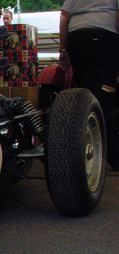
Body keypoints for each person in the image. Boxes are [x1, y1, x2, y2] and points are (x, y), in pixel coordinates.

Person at [60, 0, 119, 169]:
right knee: (104, 96)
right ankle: (112, 155)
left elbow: (64, 17)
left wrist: (64, 49)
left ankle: (76, 150)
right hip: (104, 39)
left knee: (85, 96)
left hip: (78, 39)